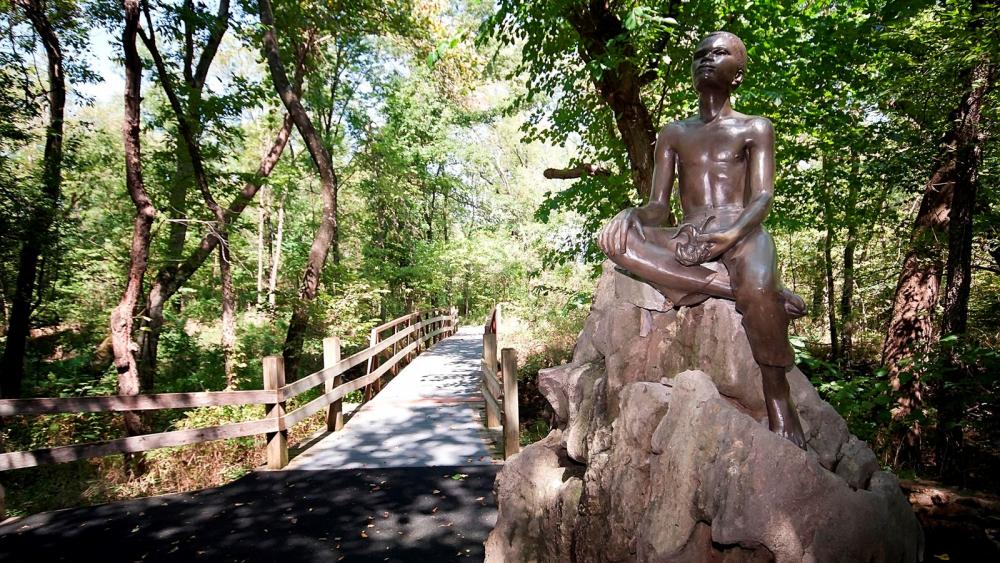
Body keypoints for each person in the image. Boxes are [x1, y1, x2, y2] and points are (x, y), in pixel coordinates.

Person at [597, 31, 807, 448]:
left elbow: (763, 196)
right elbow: (658, 206)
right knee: (616, 242)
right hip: (690, 230)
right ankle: (745, 293)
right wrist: (631, 214)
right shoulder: (674, 133)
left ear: (739, 73)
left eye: (719, 53)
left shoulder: (755, 127)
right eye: (699, 55)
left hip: (742, 228)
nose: (706, 60)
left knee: (757, 278)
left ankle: (778, 398)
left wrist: (729, 235)